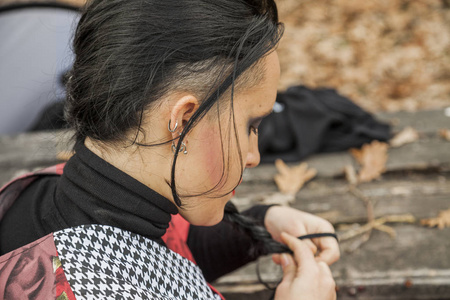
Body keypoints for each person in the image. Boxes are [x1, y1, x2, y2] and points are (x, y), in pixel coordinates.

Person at [0, 0, 339, 299]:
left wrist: (261, 224)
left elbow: (155, 254)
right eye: (251, 126)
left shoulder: (47, 193)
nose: (254, 156)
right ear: (182, 121)